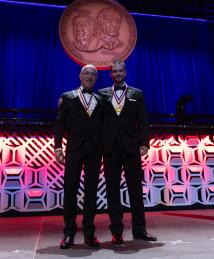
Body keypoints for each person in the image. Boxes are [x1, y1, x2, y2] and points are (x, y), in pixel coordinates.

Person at [98, 60, 157, 244]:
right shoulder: (102, 94)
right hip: (110, 149)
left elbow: (144, 121)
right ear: (110, 74)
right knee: (113, 191)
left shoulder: (137, 94)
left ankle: (140, 230)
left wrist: (144, 143)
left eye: (120, 71)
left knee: (135, 191)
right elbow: (94, 118)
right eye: (114, 71)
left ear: (125, 72)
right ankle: (117, 231)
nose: (117, 74)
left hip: (131, 148)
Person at [54, 64, 102, 249]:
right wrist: (58, 147)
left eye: (93, 74)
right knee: (70, 191)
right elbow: (59, 124)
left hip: (95, 151)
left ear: (96, 78)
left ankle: (89, 233)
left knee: (91, 192)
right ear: (80, 76)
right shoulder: (68, 97)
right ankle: (69, 233)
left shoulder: (101, 99)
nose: (89, 76)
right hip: (74, 149)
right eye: (86, 73)